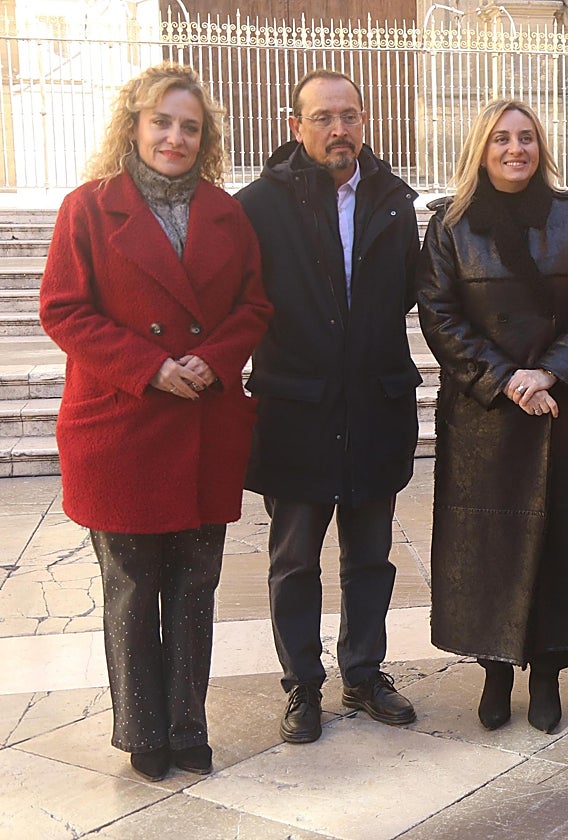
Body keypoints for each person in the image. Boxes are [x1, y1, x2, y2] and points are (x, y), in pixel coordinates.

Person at [39, 63, 271, 781]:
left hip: (204, 422)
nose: (175, 137)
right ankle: (143, 730)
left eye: (189, 127)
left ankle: (187, 725)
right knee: (134, 588)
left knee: (196, 586)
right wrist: (149, 366)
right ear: (134, 125)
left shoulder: (227, 213)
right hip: (121, 425)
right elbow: (63, 308)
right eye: (162, 122)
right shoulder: (88, 207)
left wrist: (211, 358)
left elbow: (254, 307)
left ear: (205, 139)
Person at [418, 99, 568, 734]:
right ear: (481, 148)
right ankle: (496, 670)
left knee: (563, 543)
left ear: (542, 147)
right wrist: (505, 379)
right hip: (485, 417)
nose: (515, 149)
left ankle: (551, 673)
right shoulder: (450, 226)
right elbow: (439, 312)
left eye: (526, 138)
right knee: (489, 547)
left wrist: (549, 370)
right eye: (501, 138)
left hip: (561, 405)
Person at [236, 69, 422, 743]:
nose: (338, 129)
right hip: (296, 413)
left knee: (371, 557)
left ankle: (364, 672)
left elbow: (406, 291)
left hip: (375, 407)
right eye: (322, 118)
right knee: (294, 561)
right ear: (296, 127)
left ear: (364, 121)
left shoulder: (395, 202)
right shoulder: (259, 206)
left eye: (349, 115)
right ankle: (303, 685)